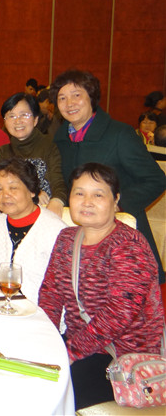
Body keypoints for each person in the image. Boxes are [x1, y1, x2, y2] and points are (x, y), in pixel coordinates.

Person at [39, 163, 164, 410]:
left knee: (51, 395)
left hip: (122, 359)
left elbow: (118, 314)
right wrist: (46, 339)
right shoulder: (66, 238)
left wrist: (69, 352)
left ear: (115, 201)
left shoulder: (129, 245)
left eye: (98, 195)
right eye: (79, 193)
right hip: (80, 346)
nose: (87, 202)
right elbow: (50, 294)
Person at [50, 69, 166, 283]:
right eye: (62, 98)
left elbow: (156, 179)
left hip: (122, 235)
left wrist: (117, 205)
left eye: (76, 95)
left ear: (91, 97)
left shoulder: (119, 134)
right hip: (79, 236)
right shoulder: (60, 139)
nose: (69, 103)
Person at [0, 158, 66, 304]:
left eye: (13, 188)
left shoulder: (56, 230)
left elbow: (63, 291)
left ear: (32, 191)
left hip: (39, 311)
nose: (5, 195)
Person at [0, 93, 67, 217]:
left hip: (45, 212)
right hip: (14, 213)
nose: (18, 121)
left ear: (35, 119)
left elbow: (58, 181)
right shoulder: (3, 152)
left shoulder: (49, 145)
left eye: (24, 115)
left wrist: (57, 200)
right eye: (11, 116)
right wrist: (33, 193)